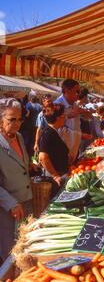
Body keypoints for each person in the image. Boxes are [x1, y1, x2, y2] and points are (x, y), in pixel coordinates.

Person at [0, 98, 33, 263]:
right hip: (8, 209)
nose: (17, 123)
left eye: (20, 119)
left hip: (26, 201)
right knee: (11, 252)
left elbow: (20, 163)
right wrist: (10, 203)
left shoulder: (19, 137)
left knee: (25, 247)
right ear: (1, 120)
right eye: (12, 119)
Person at [38, 106, 69, 194]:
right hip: (55, 178)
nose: (65, 118)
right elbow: (43, 157)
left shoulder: (53, 131)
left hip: (59, 174)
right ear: (58, 118)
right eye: (64, 116)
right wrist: (55, 176)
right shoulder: (48, 133)